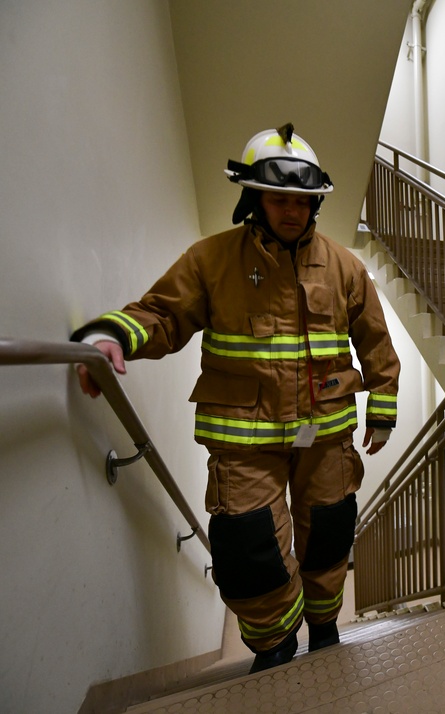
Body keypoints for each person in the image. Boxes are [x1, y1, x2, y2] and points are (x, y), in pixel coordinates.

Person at [71, 124, 400, 674]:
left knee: (329, 540)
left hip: (328, 441)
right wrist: (114, 335)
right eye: (279, 198)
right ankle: (274, 648)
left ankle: (323, 632)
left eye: (303, 200)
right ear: (253, 197)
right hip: (243, 447)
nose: (292, 211)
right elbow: (163, 315)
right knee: (247, 551)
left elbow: (376, 345)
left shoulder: (346, 267)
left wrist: (382, 412)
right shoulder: (211, 261)